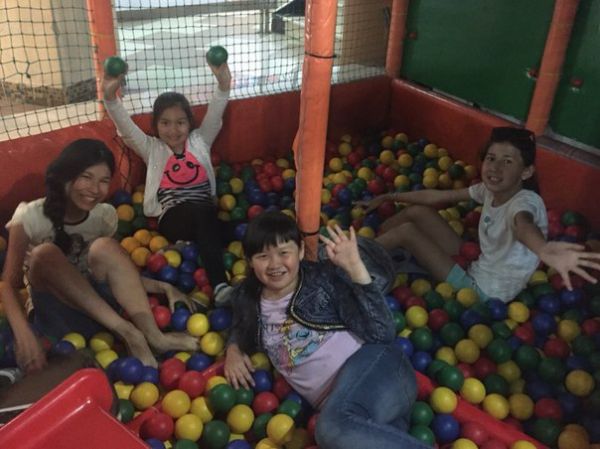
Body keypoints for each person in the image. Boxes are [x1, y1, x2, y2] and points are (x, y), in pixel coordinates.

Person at [224, 211, 430, 449]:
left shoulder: (322, 280)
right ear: (250, 261)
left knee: (329, 429)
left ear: (301, 251)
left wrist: (356, 270)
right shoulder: (247, 299)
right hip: (366, 410)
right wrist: (233, 349)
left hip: (377, 370)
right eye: (263, 256)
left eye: (284, 253)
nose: (275, 264)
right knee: (342, 432)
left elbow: (382, 334)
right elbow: (240, 325)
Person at [0, 139, 198, 373]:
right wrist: (23, 332)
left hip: (103, 316)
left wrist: (163, 286)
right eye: (86, 177)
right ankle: (130, 334)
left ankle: (155, 337)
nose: (95, 189)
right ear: (66, 176)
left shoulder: (104, 215)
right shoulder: (30, 217)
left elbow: (120, 274)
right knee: (44, 253)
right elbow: (8, 284)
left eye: (104, 181)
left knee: (105, 247)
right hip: (59, 320)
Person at [358, 127, 600, 303]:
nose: (495, 167)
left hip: (481, 293)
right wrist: (389, 197)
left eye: (507, 162)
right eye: (491, 158)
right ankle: (378, 243)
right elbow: (437, 197)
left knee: (407, 232)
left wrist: (543, 249)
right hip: (475, 263)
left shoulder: (524, 202)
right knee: (419, 212)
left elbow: (523, 226)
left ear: (526, 172)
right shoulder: (490, 190)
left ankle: (350, 261)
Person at [102, 58, 234, 306]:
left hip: (205, 216)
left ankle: (185, 247)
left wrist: (223, 84)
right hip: (174, 218)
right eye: (165, 123)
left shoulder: (200, 141)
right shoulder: (152, 149)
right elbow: (126, 128)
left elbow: (215, 114)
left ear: (190, 124)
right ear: (155, 125)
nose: (173, 130)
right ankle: (219, 285)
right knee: (205, 214)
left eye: (180, 122)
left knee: (238, 230)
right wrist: (110, 97)